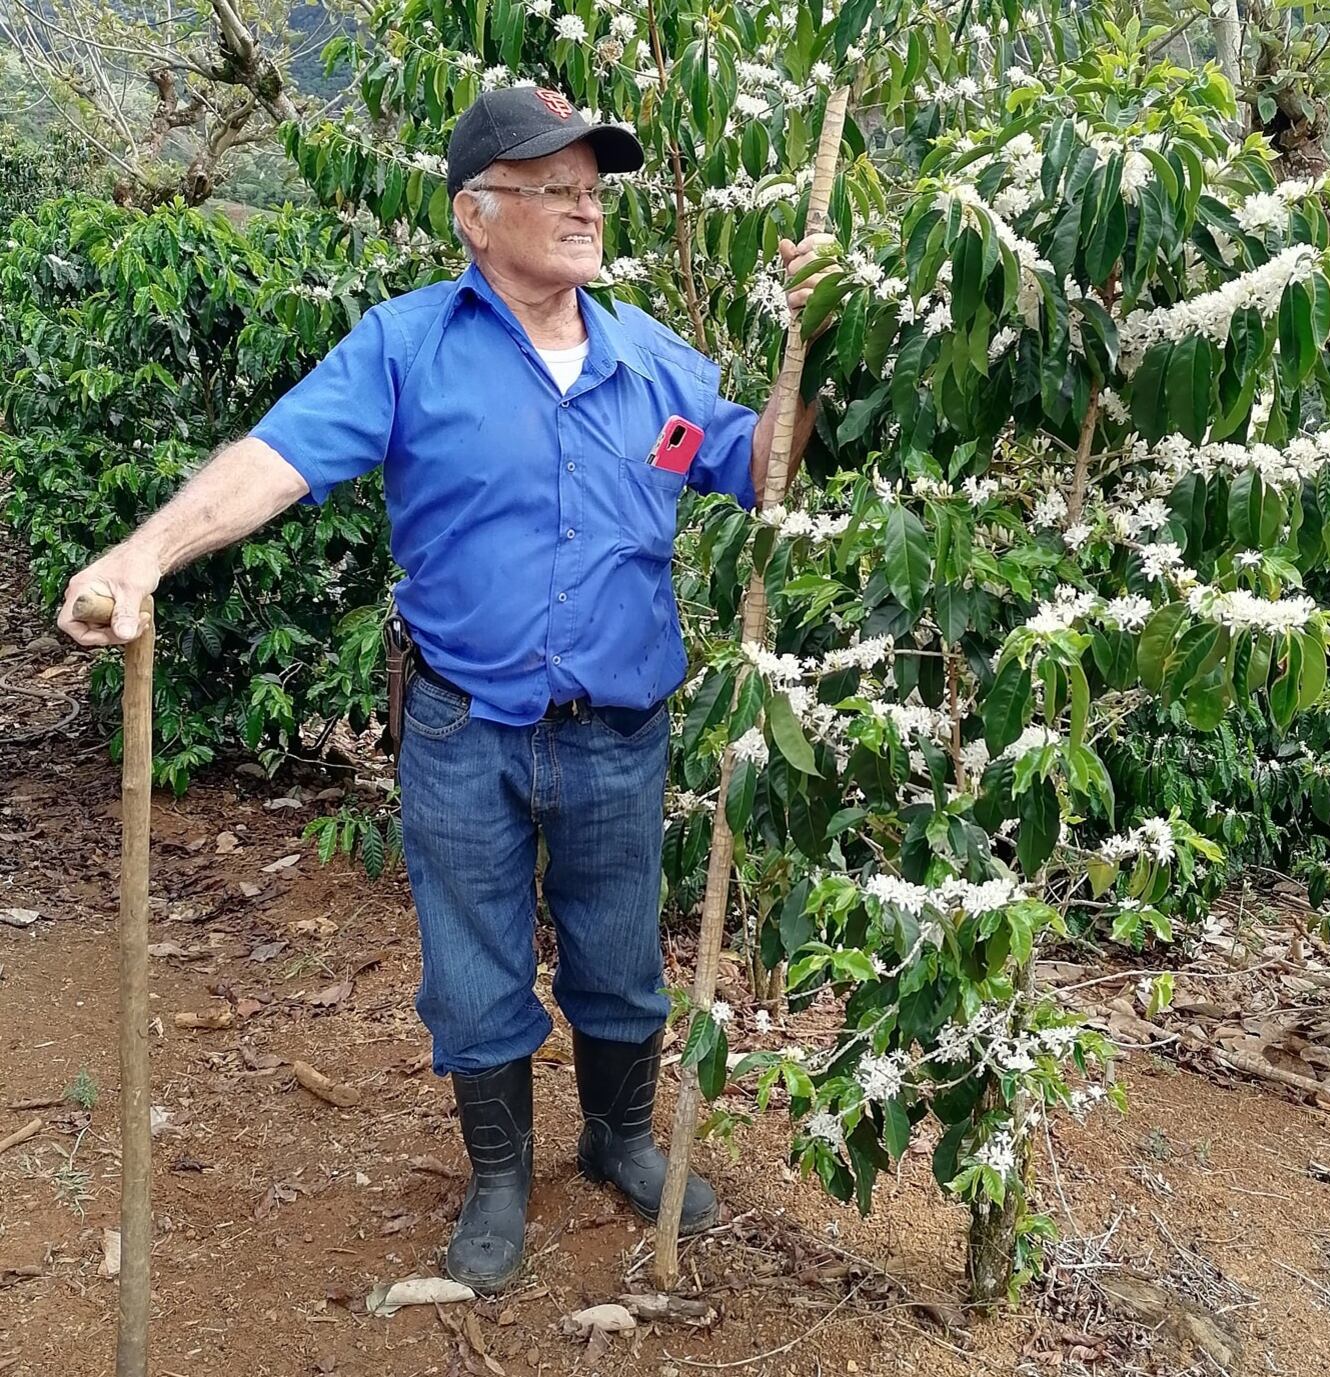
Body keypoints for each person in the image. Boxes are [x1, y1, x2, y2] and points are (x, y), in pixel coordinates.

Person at [57, 86, 831, 1293]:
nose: (584, 207)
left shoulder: (653, 361)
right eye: (553, 187)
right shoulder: (407, 345)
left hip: (620, 733)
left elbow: (767, 470)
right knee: (471, 967)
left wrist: (810, 344)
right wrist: (142, 554)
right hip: (464, 726)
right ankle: (500, 1177)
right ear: (478, 215)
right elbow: (277, 457)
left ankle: (619, 1134)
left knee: (621, 954)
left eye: (592, 188)